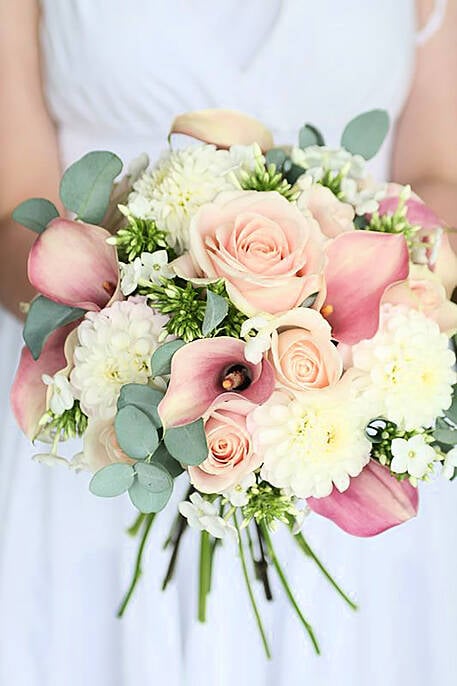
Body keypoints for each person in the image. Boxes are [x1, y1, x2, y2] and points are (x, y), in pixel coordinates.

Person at [0, 1, 456, 684]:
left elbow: (436, 178)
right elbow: (15, 215)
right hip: (95, 416)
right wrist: (151, 335)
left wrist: (330, 352)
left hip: (345, 430)